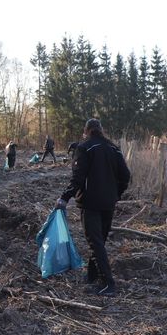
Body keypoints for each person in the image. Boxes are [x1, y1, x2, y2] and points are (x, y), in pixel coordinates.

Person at [57, 119, 131, 296]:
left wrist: (64, 198)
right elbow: (126, 175)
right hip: (108, 203)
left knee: (95, 241)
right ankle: (91, 275)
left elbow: (78, 178)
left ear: (86, 131)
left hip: (90, 203)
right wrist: (116, 194)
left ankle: (108, 283)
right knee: (100, 240)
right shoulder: (114, 148)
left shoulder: (84, 148)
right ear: (101, 130)